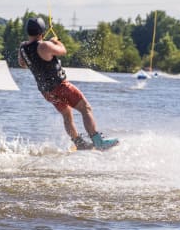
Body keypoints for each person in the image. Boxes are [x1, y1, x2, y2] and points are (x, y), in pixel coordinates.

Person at [18, 17, 118, 150]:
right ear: (42, 31)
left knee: (67, 114)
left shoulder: (23, 48)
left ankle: (79, 143)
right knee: (85, 108)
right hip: (61, 87)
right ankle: (97, 140)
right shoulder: (45, 46)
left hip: (47, 92)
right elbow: (63, 51)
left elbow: (22, 64)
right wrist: (56, 42)